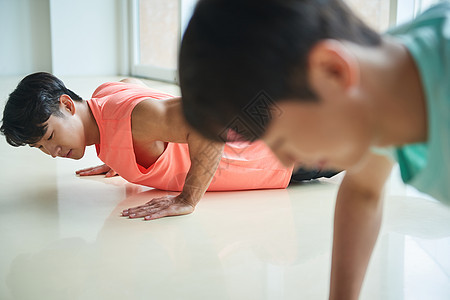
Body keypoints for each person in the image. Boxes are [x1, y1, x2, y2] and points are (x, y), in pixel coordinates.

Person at [178, 0, 450, 299]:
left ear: (333, 70)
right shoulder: (383, 80)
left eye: (280, 142)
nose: (283, 159)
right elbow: (363, 191)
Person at [0, 73, 337, 221]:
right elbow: (134, 86)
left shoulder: (130, 122)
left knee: (376, 139)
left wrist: (187, 200)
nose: (53, 152)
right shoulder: (102, 97)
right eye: (41, 149)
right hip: (264, 123)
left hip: (280, 153)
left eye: (50, 138)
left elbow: (209, 126)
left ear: (67, 105)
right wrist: (121, 155)